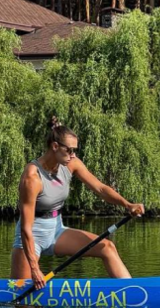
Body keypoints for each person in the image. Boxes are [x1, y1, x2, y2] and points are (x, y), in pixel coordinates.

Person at [11, 117, 145, 290]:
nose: (73, 155)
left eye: (75, 150)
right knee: (20, 296)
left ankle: (132, 291)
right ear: (55, 146)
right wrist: (35, 269)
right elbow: (26, 228)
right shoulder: (32, 177)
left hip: (56, 231)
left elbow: (101, 189)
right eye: (70, 150)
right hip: (31, 237)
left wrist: (128, 205)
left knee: (107, 247)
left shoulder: (70, 164)